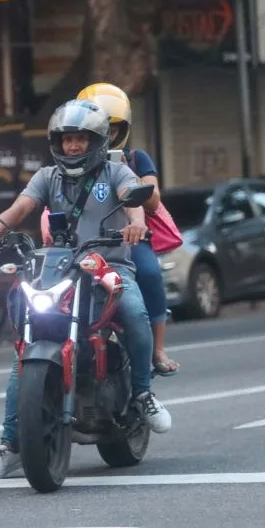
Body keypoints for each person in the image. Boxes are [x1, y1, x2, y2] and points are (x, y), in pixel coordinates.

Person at [0, 98, 172, 480]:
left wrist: (135, 224)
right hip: (60, 266)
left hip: (108, 265)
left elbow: (135, 203)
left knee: (133, 311)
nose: (73, 147)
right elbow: (21, 207)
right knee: (25, 349)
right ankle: (11, 444)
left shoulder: (116, 172)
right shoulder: (48, 176)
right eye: (66, 140)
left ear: (97, 140)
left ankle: (143, 394)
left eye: (81, 139)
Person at [77, 81, 178, 376]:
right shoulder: (68, 162)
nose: (104, 136)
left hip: (130, 242)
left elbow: (153, 199)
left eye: (111, 129)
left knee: (148, 273)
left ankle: (158, 349)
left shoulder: (136, 159)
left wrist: (128, 175)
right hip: (84, 245)